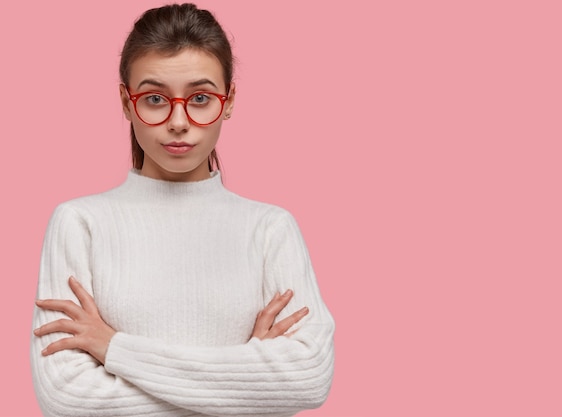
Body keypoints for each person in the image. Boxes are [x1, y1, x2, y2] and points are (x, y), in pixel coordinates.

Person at [30, 3, 335, 417]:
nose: (178, 121)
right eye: (155, 98)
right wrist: (248, 382)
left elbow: (310, 377)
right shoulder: (80, 224)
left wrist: (113, 348)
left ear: (228, 102)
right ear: (125, 101)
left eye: (201, 98)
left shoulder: (269, 229)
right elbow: (68, 398)